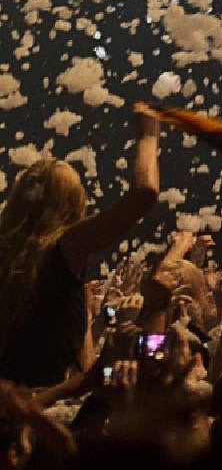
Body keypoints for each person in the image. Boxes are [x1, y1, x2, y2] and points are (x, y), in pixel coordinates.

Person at [0, 104, 163, 387]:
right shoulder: (64, 248)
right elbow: (143, 193)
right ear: (72, 206)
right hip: (34, 413)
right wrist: (148, 135)